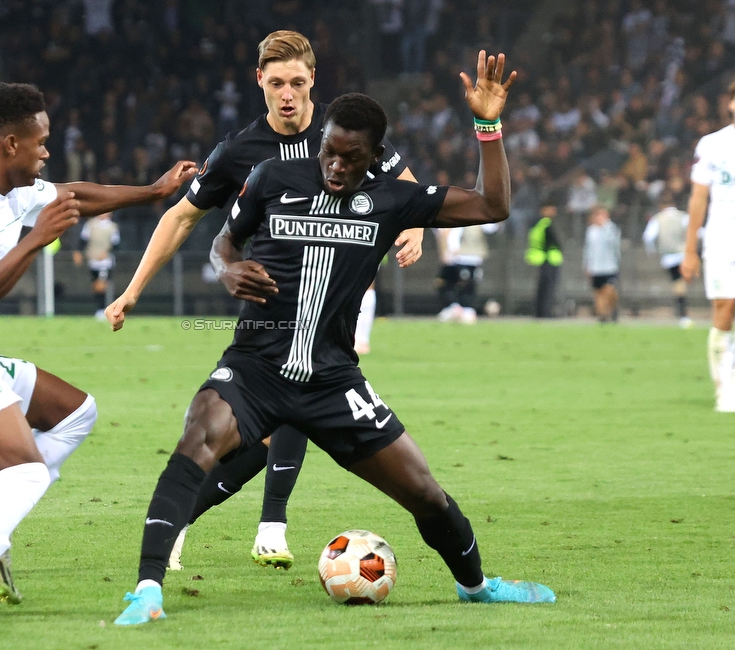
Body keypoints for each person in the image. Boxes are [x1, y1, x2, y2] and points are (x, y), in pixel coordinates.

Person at [115, 52, 555, 627]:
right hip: (256, 366)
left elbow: (493, 204)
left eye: (351, 158)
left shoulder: (396, 201)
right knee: (198, 435)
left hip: (333, 382)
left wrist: (488, 127)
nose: (336, 166)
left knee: (423, 492)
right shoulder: (272, 177)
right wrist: (227, 270)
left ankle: (477, 587)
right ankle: (147, 592)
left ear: (375, 158)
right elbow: (223, 241)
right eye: (329, 152)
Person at [105, 30, 426, 572]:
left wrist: (413, 227)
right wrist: (132, 291)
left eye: (297, 82)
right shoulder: (239, 151)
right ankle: (265, 527)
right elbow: (182, 216)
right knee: (276, 417)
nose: (287, 93)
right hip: (272, 312)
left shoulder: (346, 135)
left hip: (331, 312)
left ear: (312, 82)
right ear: (260, 81)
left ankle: (239, 522)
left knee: (277, 422)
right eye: (276, 82)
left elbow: (406, 187)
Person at [0, 82, 195, 627]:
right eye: (41, 142)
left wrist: (152, 192)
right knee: (25, 475)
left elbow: (74, 196)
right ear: (9, 144)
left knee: (77, 413)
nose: (47, 152)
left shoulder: (13, 187)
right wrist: (34, 241)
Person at [681, 80, 735, 411]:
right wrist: (690, 249)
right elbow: (698, 198)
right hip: (721, 239)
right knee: (725, 307)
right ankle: (724, 389)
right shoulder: (713, 144)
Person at [643, 192, 692, 327]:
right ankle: (682, 313)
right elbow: (697, 231)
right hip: (683, 254)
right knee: (680, 284)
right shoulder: (683, 216)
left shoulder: (657, 219)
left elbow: (648, 237)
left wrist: (652, 252)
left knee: (678, 283)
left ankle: (682, 313)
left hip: (669, 257)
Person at [434, 224, 499, 323]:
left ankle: (465, 309)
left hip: (470, 257)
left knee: (467, 284)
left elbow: (491, 227)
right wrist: (447, 251)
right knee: (447, 282)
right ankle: (453, 308)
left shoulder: (476, 215)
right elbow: (444, 233)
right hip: (456, 257)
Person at [72, 212, 120, 318]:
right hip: (93, 260)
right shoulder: (90, 225)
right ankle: (100, 308)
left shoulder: (112, 227)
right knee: (95, 286)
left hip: (105, 262)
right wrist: (78, 252)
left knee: (101, 285)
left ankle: (102, 310)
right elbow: (83, 240)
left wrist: (107, 252)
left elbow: (116, 244)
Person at [583, 206, 621, 322]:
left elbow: (615, 244)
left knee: (609, 291)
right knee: (598, 293)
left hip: (609, 266)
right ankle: (602, 315)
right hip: (595, 267)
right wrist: (586, 265)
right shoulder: (591, 231)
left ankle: (611, 309)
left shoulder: (611, 228)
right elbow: (588, 249)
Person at [526, 201, 563, 318]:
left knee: (542, 288)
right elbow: (554, 242)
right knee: (548, 288)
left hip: (540, 258)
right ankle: (545, 312)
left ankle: (540, 312)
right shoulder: (546, 224)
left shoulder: (536, 224)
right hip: (549, 259)